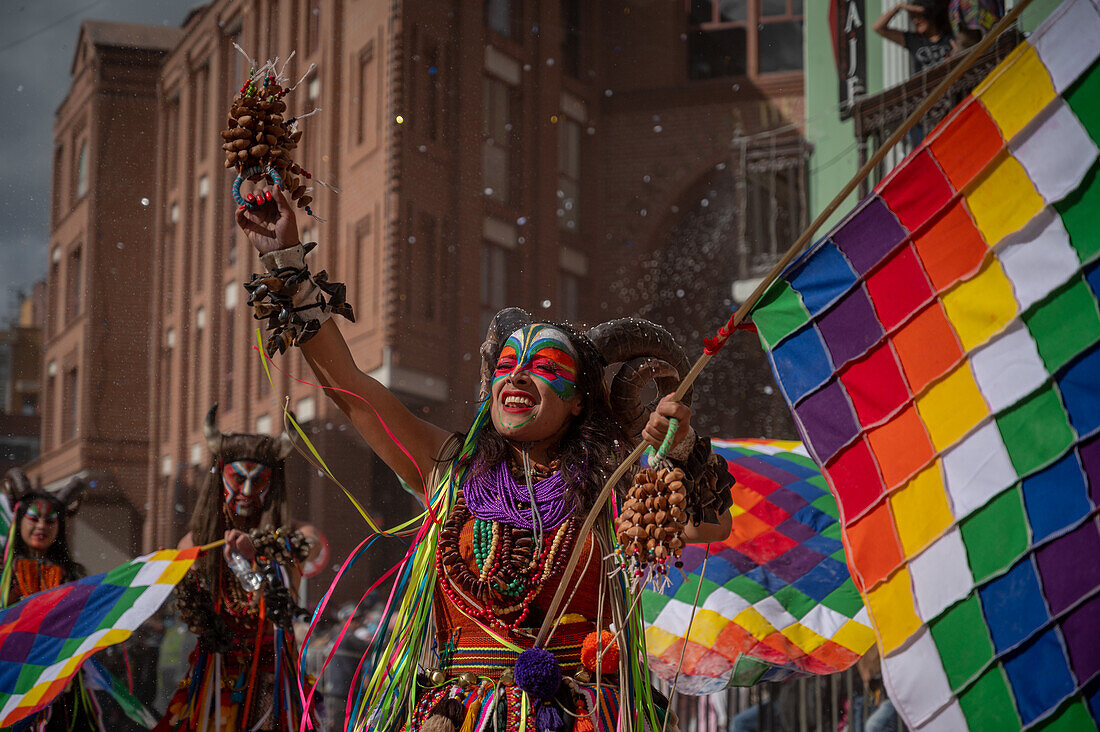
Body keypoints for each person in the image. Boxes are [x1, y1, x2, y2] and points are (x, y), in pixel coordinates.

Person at [233, 176, 734, 731]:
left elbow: (709, 526)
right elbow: (348, 387)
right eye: (506, 363)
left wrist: (681, 445)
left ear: (578, 404)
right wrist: (285, 259)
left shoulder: (610, 491)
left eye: (544, 366)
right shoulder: (447, 468)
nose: (517, 374)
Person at [156, 406, 323, 731]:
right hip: (215, 674)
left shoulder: (297, 535)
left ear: (272, 485)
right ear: (220, 477)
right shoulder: (196, 542)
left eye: (258, 480)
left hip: (274, 679)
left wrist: (259, 547)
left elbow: (310, 546)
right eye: (238, 479)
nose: (246, 492)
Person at [1, 469, 96, 730]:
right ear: (19, 520)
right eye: (33, 518)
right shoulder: (3, 575)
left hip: (59, 689)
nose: (41, 526)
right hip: (11, 683)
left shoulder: (72, 577)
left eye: (51, 520)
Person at [873, 1, 954, 74]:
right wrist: (899, 7)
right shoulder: (914, 40)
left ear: (929, 15)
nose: (915, 21)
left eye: (918, 16)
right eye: (913, 17)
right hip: (925, 88)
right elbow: (878, 27)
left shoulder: (951, 37)